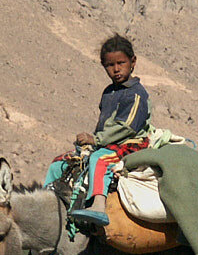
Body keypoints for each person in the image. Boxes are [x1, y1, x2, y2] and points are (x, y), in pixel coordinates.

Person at [45, 34, 152, 228]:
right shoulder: (109, 92)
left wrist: (95, 139)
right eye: (110, 65)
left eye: (121, 63)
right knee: (59, 164)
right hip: (105, 143)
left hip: (128, 144)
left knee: (99, 160)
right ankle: (47, 205)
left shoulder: (136, 94)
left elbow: (126, 127)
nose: (116, 69)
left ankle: (98, 205)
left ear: (133, 62)